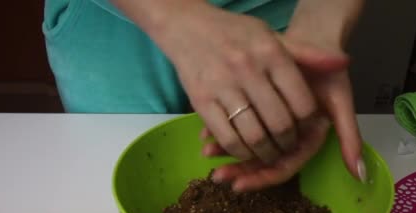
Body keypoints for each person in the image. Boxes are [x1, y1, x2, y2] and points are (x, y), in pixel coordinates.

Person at [43, 0, 366, 192]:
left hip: (277, 25)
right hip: (111, 23)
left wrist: (322, 26)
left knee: (272, 170)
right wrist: (169, 14)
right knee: (111, 187)